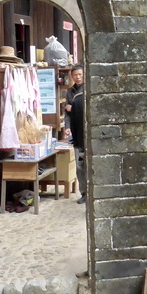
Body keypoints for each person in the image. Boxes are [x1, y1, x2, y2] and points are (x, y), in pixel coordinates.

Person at [63, 65, 86, 203]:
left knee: (87, 163)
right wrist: (67, 127)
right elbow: (66, 112)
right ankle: (83, 193)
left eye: (80, 74)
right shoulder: (70, 92)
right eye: (75, 75)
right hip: (75, 131)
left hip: (85, 130)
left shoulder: (87, 90)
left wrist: (74, 107)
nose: (78, 77)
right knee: (79, 165)